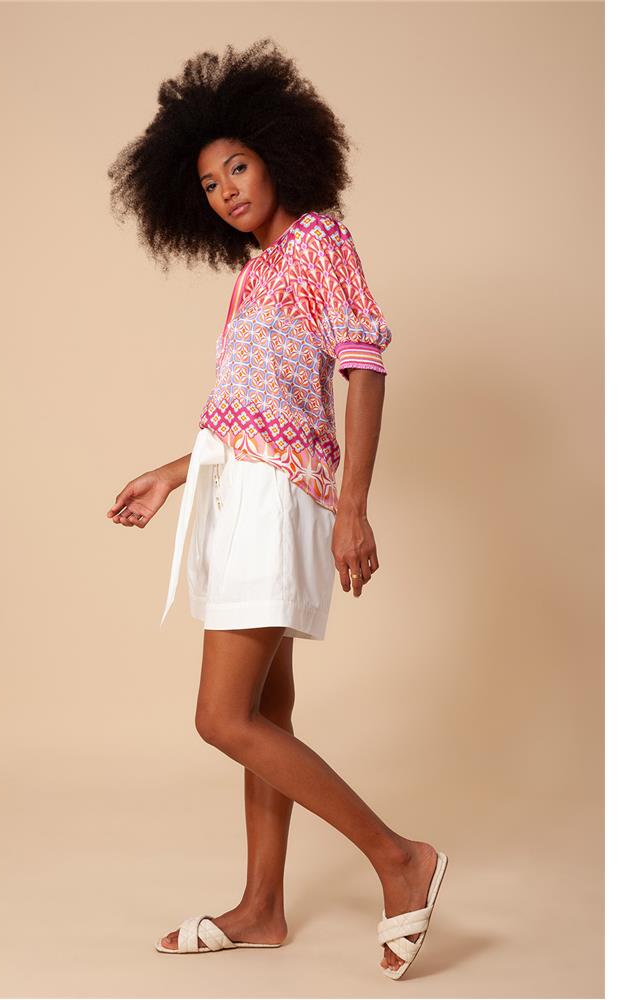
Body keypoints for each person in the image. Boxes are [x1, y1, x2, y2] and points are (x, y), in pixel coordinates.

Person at [104, 39, 448, 979]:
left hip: (277, 501)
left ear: (277, 157)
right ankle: (262, 907)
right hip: (239, 489)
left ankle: (398, 858)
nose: (226, 191)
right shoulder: (255, 275)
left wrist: (354, 507)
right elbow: (258, 412)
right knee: (265, 713)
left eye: (238, 168)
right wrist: (174, 473)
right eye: (209, 183)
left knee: (221, 718)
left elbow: (364, 366)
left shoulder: (318, 241)